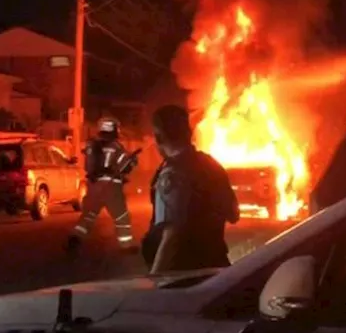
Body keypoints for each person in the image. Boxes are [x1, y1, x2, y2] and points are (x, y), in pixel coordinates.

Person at [143, 104, 240, 273]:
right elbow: (233, 214)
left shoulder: (171, 175)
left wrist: (154, 281)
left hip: (182, 274)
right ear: (189, 133)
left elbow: (171, 237)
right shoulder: (211, 165)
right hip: (216, 271)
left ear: (158, 137)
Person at [66, 117, 137, 255]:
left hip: (94, 187)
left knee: (88, 216)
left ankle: (75, 238)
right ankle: (126, 245)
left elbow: (88, 167)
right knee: (121, 217)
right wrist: (132, 162)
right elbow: (124, 167)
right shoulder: (117, 147)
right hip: (112, 187)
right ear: (114, 129)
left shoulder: (92, 146)